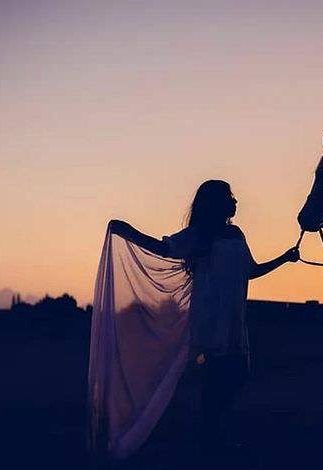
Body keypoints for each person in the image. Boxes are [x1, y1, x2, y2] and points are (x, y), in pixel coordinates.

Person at [108, 179, 299, 452]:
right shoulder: (199, 235)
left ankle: (210, 432)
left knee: (237, 375)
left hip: (233, 319)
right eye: (229, 196)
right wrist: (128, 232)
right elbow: (165, 249)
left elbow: (251, 270)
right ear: (216, 203)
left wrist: (284, 258)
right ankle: (210, 435)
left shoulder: (237, 235)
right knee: (223, 377)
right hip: (211, 320)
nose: (235, 201)